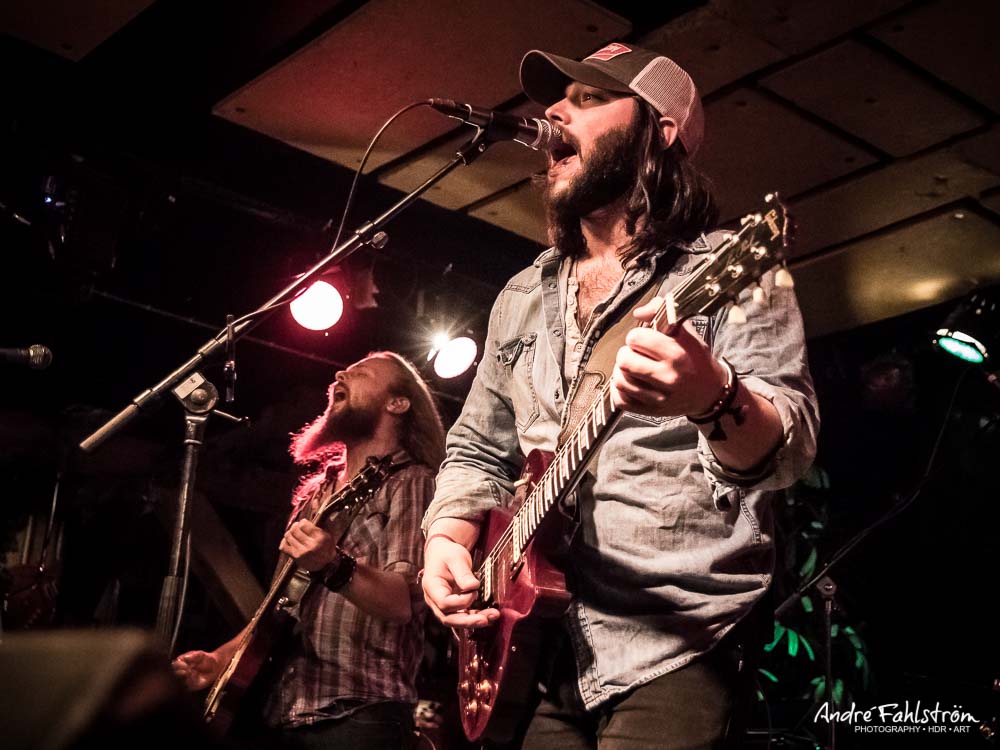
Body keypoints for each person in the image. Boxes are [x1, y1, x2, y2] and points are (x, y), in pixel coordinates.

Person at [420, 43, 820, 749]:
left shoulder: (725, 268)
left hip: (675, 642)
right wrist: (446, 539)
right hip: (543, 651)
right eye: (558, 98)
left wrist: (711, 396)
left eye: (589, 97)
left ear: (658, 132)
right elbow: (478, 446)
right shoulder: (522, 295)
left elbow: (789, 450)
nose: (554, 111)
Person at [173, 352, 446, 750]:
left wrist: (334, 565)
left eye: (362, 373)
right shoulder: (317, 493)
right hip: (279, 710)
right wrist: (220, 660)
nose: (341, 372)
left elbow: (402, 602)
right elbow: (279, 608)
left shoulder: (413, 482)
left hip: (358, 713)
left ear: (398, 403)